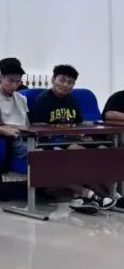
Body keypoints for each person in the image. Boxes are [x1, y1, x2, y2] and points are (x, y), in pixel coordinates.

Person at [29, 64, 115, 214]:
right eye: (62, 80)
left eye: (70, 82)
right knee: (77, 151)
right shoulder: (43, 100)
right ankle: (98, 195)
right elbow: (36, 126)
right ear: (53, 80)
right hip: (53, 142)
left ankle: (99, 195)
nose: (65, 85)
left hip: (72, 138)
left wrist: (86, 132)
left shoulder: (72, 101)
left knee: (103, 150)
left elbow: (78, 123)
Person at [0, 58, 30, 175]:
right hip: (13, 141)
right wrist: (16, 129)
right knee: (42, 153)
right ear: (1, 77)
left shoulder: (21, 98)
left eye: (18, 82)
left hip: (28, 137)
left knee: (55, 150)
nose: (14, 85)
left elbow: (27, 124)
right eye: (10, 81)